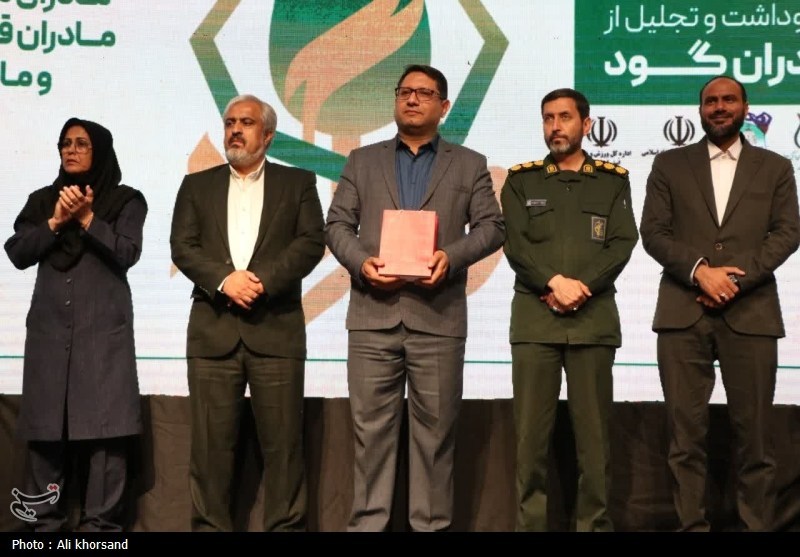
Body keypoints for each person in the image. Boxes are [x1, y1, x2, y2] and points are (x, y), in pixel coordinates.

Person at [325, 64, 504, 531]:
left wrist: (452, 256)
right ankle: (368, 526)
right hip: (372, 317)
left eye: (424, 93)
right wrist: (361, 263)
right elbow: (337, 224)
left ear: (443, 106)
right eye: (404, 91)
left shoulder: (469, 163)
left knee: (435, 437)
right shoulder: (361, 160)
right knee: (370, 436)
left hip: (438, 318)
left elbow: (492, 227)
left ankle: (430, 527)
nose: (411, 99)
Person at [640, 75, 800, 531]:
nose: (719, 107)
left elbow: (788, 232)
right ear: (700, 110)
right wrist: (699, 271)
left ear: (746, 108)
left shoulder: (775, 167)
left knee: (757, 440)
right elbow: (653, 232)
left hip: (751, 313)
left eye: (729, 99)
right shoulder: (669, 164)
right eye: (711, 101)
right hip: (682, 312)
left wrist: (733, 280)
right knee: (685, 440)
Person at [170, 94, 325, 531]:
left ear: (268, 135)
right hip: (212, 334)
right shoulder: (196, 185)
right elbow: (183, 246)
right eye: (229, 122)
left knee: (284, 449)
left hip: (276, 331)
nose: (235, 130)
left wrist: (259, 281)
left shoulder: (297, 183)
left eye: (246, 122)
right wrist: (225, 280)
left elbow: (311, 242)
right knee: (209, 451)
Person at [500, 88, 638, 531]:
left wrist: (583, 287)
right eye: (548, 118)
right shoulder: (521, 181)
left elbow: (623, 242)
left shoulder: (613, 180)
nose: (555, 126)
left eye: (564, 117)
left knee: (594, 446)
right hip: (534, 323)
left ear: (586, 124)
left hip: (592, 323)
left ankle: (594, 526)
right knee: (529, 445)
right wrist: (553, 283)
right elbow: (515, 244)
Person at [5, 118, 148, 531]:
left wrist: (86, 219)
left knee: (105, 431)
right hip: (50, 335)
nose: (71, 150)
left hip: (102, 337)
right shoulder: (42, 200)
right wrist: (54, 222)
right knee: (46, 429)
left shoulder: (124, 201)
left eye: (81, 143)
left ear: (99, 151)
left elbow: (127, 252)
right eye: (65, 143)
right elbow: (17, 252)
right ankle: (43, 527)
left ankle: (99, 530)